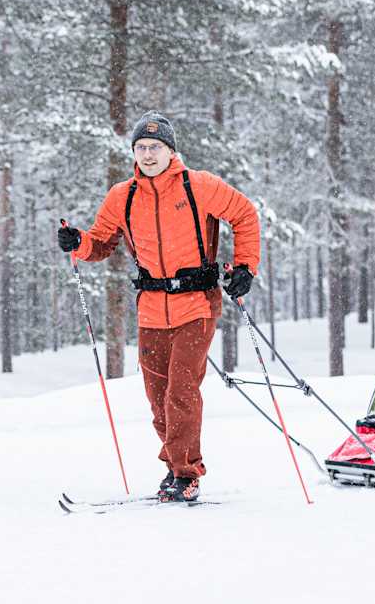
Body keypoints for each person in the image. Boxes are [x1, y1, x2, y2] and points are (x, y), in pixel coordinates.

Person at [56, 111, 260, 502]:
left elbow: (244, 214)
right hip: (151, 307)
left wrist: (246, 267)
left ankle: (186, 473)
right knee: (158, 396)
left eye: (155, 147)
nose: (148, 155)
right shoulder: (123, 196)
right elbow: (101, 242)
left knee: (181, 389)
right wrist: (78, 242)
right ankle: (175, 465)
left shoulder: (199, 185)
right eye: (141, 147)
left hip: (197, 303)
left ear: (170, 151)